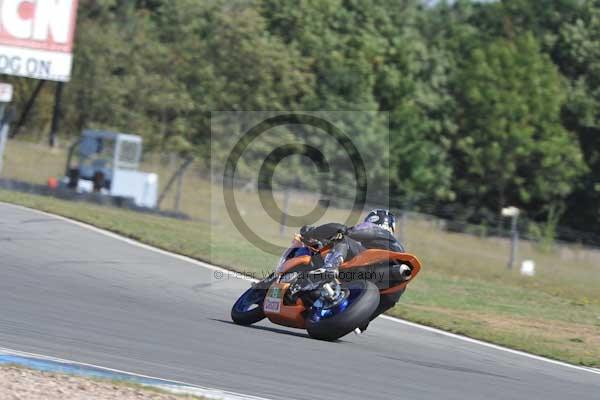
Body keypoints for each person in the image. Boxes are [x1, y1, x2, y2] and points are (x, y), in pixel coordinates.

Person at [297, 209, 406, 332]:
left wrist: (312, 233)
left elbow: (345, 231)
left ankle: (329, 268)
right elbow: (389, 301)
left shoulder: (374, 229)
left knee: (342, 237)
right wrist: (363, 318)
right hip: (393, 276)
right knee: (391, 295)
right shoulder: (396, 245)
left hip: (374, 263)